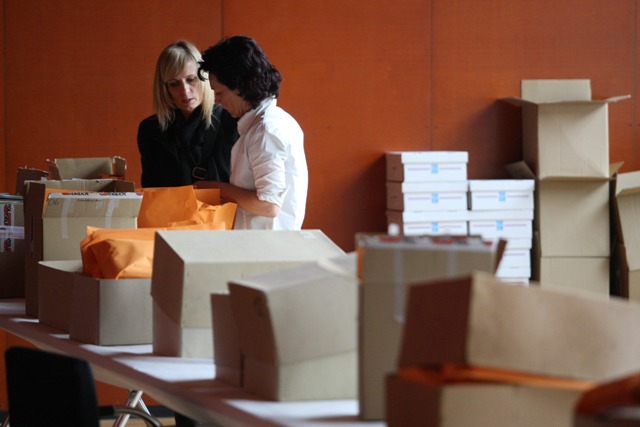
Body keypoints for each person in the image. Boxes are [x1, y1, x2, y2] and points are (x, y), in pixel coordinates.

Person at [195, 35, 308, 230]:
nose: (217, 101)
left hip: (265, 244)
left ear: (240, 86)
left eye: (220, 93)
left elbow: (269, 205)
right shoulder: (267, 124)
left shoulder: (266, 130)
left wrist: (218, 189)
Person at [137, 40, 238, 188]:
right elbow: (152, 190)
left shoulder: (232, 121)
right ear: (164, 89)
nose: (184, 91)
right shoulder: (151, 130)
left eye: (191, 80)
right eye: (174, 84)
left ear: (204, 78)